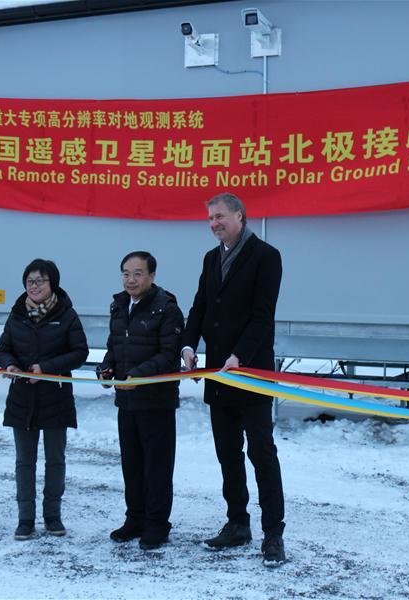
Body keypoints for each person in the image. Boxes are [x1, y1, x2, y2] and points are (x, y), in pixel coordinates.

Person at [181, 193, 287, 567]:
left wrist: (239, 356)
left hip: (252, 372)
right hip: (218, 374)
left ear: (240, 216)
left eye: (220, 216)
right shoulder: (211, 259)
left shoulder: (266, 256)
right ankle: (237, 523)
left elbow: (262, 316)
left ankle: (273, 534)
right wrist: (189, 346)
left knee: (261, 454)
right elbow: (200, 307)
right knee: (228, 454)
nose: (214, 223)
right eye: (210, 218)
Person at [0, 259, 89, 540]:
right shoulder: (17, 315)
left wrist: (46, 369)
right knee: (24, 461)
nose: (34, 286)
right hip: (22, 398)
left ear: (53, 284)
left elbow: (79, 352)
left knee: (55, 460)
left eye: (40, 281)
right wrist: (9, 365)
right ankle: (25, 518)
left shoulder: (67, 315)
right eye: (30, 281)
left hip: (55, 396)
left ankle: (52, 516)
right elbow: (3, 349)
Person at [98, 251, 184, 550]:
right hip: (127, 400)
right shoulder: (119, 306)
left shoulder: (167, 309)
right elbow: (114, 346)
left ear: (151, 276)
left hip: (156, 401)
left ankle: (158, 524)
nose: (130, 279)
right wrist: (107, 367)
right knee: (131, 464)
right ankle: (135, 518)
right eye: (125, 273)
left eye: (137, 273)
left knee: (156, 466)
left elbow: (168, 355)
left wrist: (137, 374)